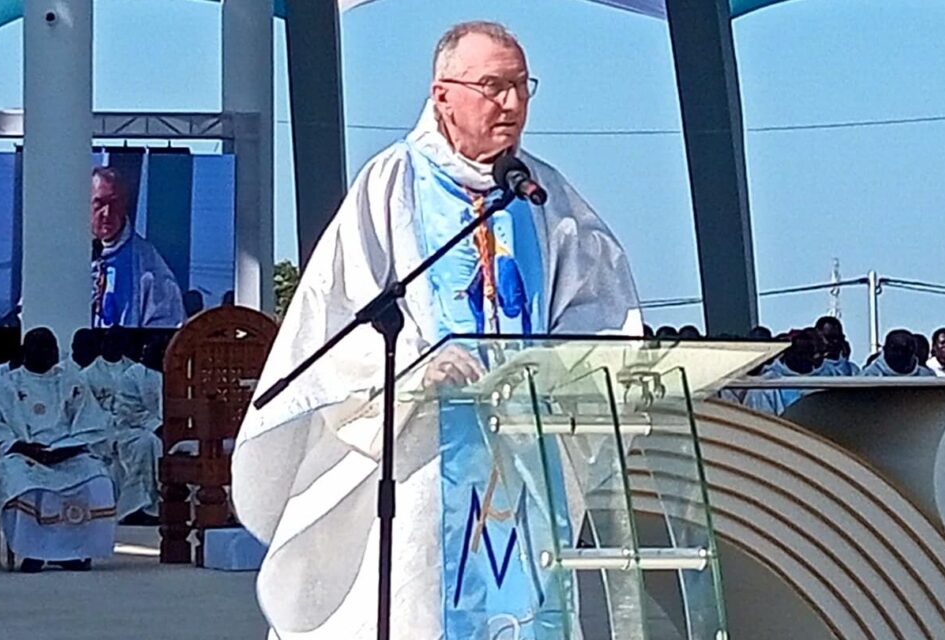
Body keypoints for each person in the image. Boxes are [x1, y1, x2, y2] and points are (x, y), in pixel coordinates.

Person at [230, 21, 641, 639]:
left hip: (525, 458)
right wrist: (417, 370)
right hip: (423, 451)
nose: (513, 103)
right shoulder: (392, 183)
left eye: (522, 86)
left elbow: (602, 316)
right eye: (494, 86)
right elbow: (338, 317)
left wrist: (558, 367)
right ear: (443, 94)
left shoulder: (544, 195)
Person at [0, 328, 115, 573]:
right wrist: (25, 448)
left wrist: (64, 449)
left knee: (98, 479)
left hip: (66, 452)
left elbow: (90, 422)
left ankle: (73, 552)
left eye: (51, 347)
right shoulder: (4, 386)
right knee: (19, 481)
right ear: (25, 351)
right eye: (40, 347)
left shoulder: (72, 382)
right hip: (22, 453)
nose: (47, 352)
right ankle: (33, 552)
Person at [91, 167, 186, 328]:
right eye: (99, 203)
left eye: (114, 203)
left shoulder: (148, 264)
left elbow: (168, 323)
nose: (107, 213)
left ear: (125, 204)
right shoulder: (65, 254)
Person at [113, 339, 166, 525]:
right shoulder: (133, 375)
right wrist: (157, 426)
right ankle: (140, 508)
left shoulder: (177, 373)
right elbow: (129, 410)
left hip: (171, 429)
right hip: (132, 430)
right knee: (148, 444)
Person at [744, 329, 823, 414]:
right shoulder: (764, 386)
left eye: (809, 353)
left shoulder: (827, 381)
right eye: (800, 353)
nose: (805, 357)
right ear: (788, 352)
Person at [862, 330, 936, 377]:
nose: (900, 354)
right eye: (896, 349)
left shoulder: (927, 376)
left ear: (913, 351)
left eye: (905, 351)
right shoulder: (869, 376)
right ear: (885, 350)